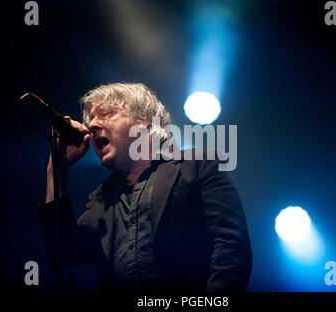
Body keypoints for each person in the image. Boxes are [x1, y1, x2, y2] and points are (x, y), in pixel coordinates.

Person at [38, 83, 252, 292]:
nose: (92, 125)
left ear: (144, 121)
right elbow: (62, 254)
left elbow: (230, 245)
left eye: (106, 114)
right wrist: (56, 169)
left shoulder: (197, 165)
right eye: (91, 119)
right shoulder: (101, 198)